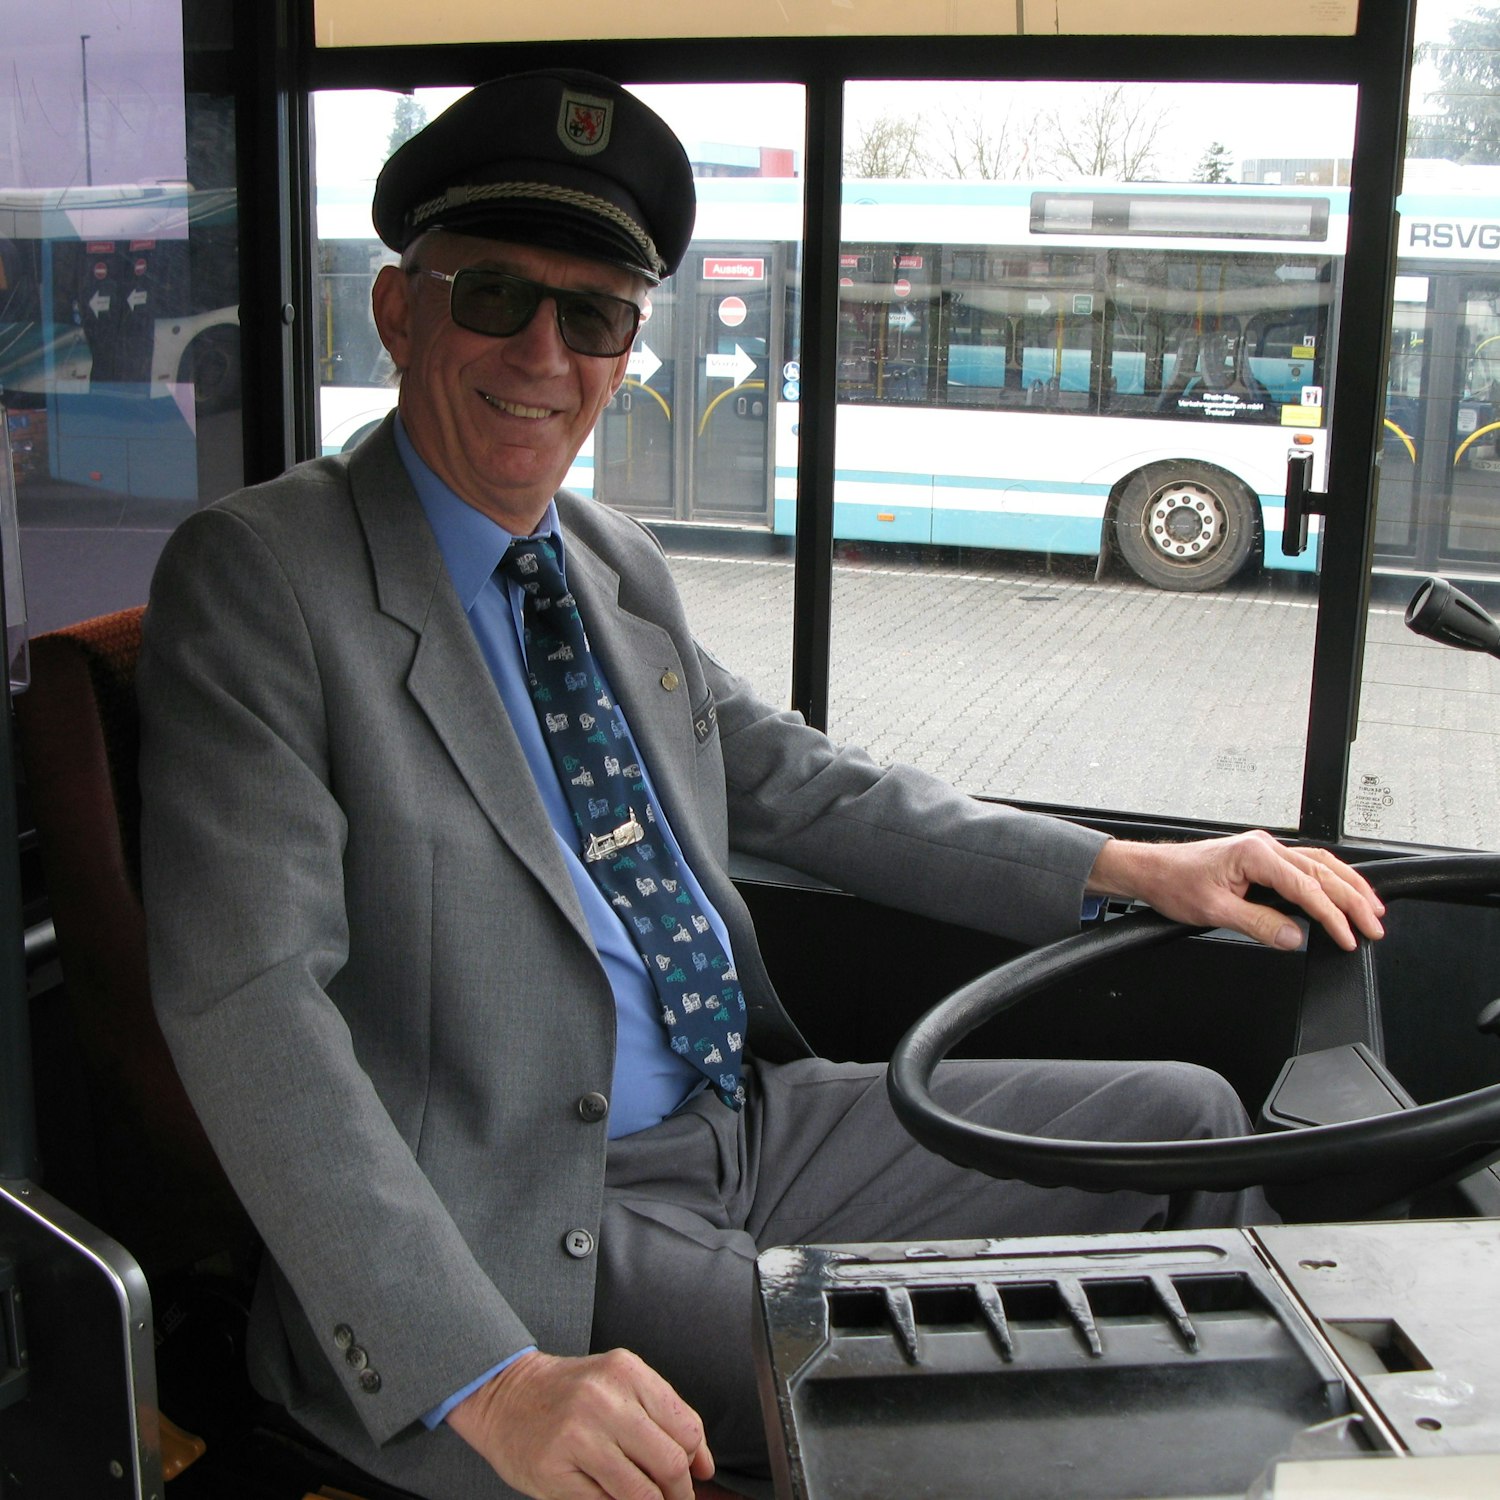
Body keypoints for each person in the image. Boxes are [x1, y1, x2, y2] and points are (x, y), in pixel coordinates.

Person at [137, 70, 1386, 1500]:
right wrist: (490, 1375)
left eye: (594, 314)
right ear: (400, 310)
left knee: (1182, 1125)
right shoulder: (262, 581)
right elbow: (253, 1006)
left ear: (628, 349)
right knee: (948, 1392)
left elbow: (804, 786)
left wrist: (1127, 869)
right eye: (494, 294)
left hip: (742, 1121)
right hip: (517, 1211)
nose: (544, 350)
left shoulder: (606, 563)